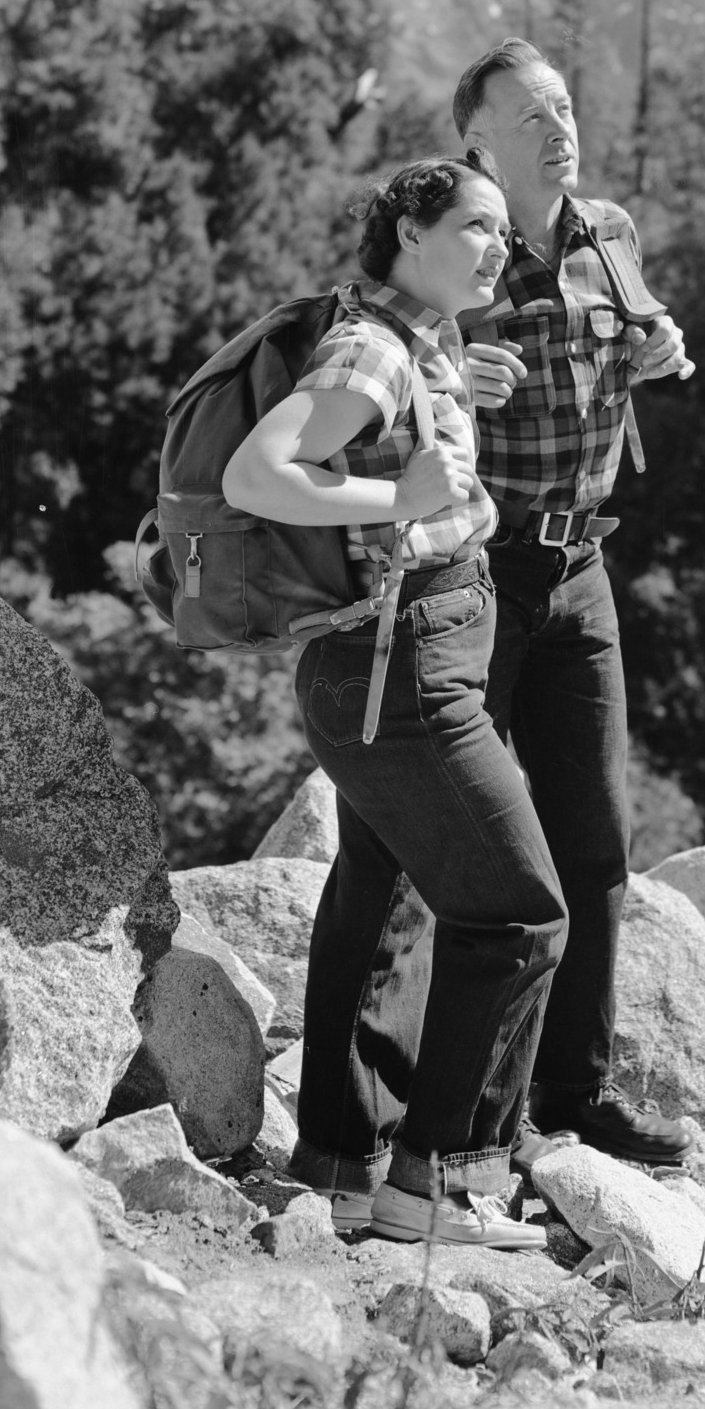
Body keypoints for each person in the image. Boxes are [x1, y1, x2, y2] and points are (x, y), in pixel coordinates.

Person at [220, 152, 564, 1248]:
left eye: (505, 233)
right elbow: (257, 473)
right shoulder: (372, 344)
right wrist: (394, 492)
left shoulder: (417, 336)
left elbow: (400, 432)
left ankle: (347, 1166)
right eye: (476, 226)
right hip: (401, 666)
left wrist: (461, 390)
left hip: (411, 654)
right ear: (408, 232)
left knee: (393, 893)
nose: (498, 247)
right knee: (519, 912)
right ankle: (441, 1183)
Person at [454, 37, 697, 1167]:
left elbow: (639, 328)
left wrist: (661, 345)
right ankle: (430, 1113)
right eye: (529, 112)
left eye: (561, 104)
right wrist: (452, 357)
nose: (557, 123)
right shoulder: (456, 249)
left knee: (596, 841)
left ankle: (571, 1096)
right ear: (477, 142)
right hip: (477, 565)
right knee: (452, 839)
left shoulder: (606, 230)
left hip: (582, 570)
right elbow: (378, 359)